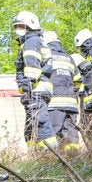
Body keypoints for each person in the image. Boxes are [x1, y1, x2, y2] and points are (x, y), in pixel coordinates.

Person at [12, 11, 57, 149]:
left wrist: (27, 86)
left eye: (21, 26)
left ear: (30, 25)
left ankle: (51, 155)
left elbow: (32, 66)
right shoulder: (37, 41)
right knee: (31, 125)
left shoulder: (31, 42)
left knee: (40, 122)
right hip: (38, 88)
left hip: (35, 88)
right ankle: (35, 155)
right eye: (17, 26)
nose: (18, 29)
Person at [41, 31, 82, 153]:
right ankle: (74, 159)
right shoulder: (69, 58)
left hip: (54, 104)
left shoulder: (47, 56)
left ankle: (51, 159)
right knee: (71, 135)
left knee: (51, 133)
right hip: (71, 105)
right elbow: (78, 80)